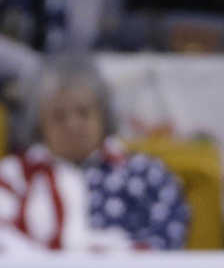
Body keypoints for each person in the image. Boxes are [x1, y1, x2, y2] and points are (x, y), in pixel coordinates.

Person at [0, 54, 191, 252]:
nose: (72, 125)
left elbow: (166, 243)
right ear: (39, 125)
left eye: (83, 112)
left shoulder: (146, 174)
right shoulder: (12, 176)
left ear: (103, 115)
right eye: (59, 116)